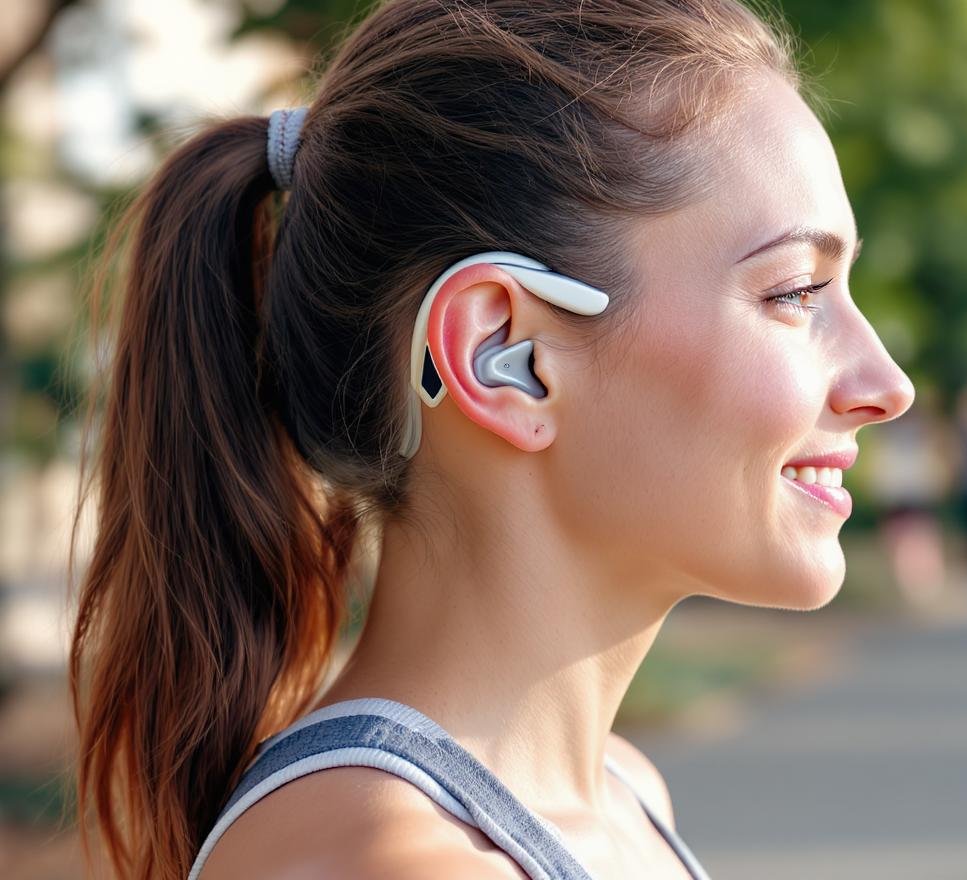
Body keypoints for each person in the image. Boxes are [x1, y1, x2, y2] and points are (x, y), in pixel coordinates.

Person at [67, 1, 914, 878]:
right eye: (795, 294)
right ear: (503, 356)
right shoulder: (388, 862)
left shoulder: (625, 798)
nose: (888, 386)